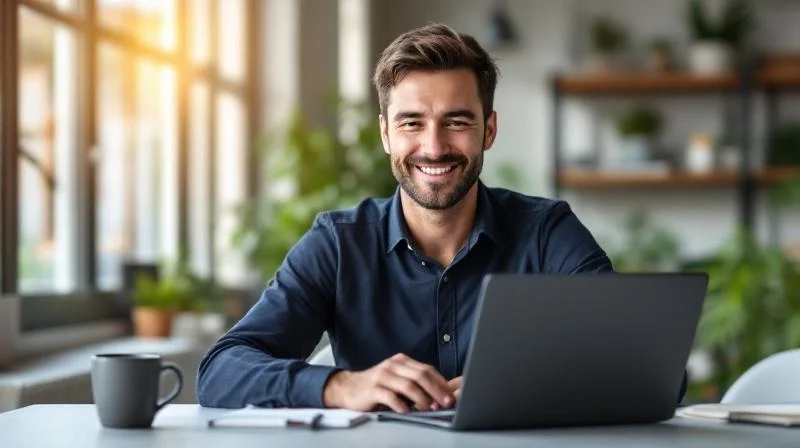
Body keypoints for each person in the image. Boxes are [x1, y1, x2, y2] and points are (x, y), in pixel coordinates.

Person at [197, 22, 616, 412]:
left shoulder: (546, 232)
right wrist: (341, 386)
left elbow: (646, 365)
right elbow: (221, 372)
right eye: (411, 123)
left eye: (456, 122)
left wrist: (523, 385)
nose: (433, 147)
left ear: (488, 130)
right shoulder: (337, 244)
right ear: (385, 134)